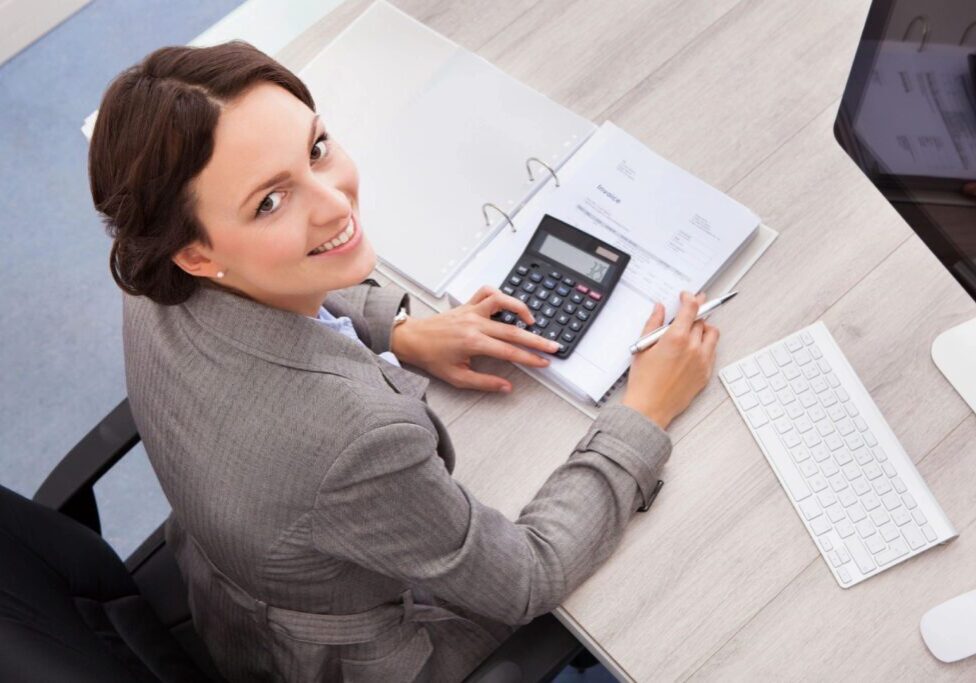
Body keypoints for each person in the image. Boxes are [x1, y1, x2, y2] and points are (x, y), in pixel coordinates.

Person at [88, 41, 719, 682]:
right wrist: (643, 412)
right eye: (269, 203)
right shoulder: (356, 439)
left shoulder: (149, 261)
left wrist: (400, 332)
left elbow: (256, 282)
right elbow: (528, 575)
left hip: (229, 577)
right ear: (196, 254)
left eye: (316, 149)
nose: (336, 202)